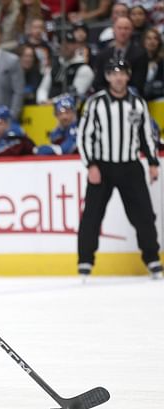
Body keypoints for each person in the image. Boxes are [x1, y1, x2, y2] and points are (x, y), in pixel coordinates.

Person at [76, 58, 162, 280]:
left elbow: (147, 135)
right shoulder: (95, 103)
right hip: (102, 167)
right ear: (107, 77)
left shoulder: (138, 103)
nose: (118, 77)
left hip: (130, 166)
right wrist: (91, 165)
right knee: (92, 216)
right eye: (114, 73)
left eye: (122, 73)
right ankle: (85, 261)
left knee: (143, 215)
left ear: (128, 75)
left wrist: (152, 162)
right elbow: (84, 136)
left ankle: (152, 258)